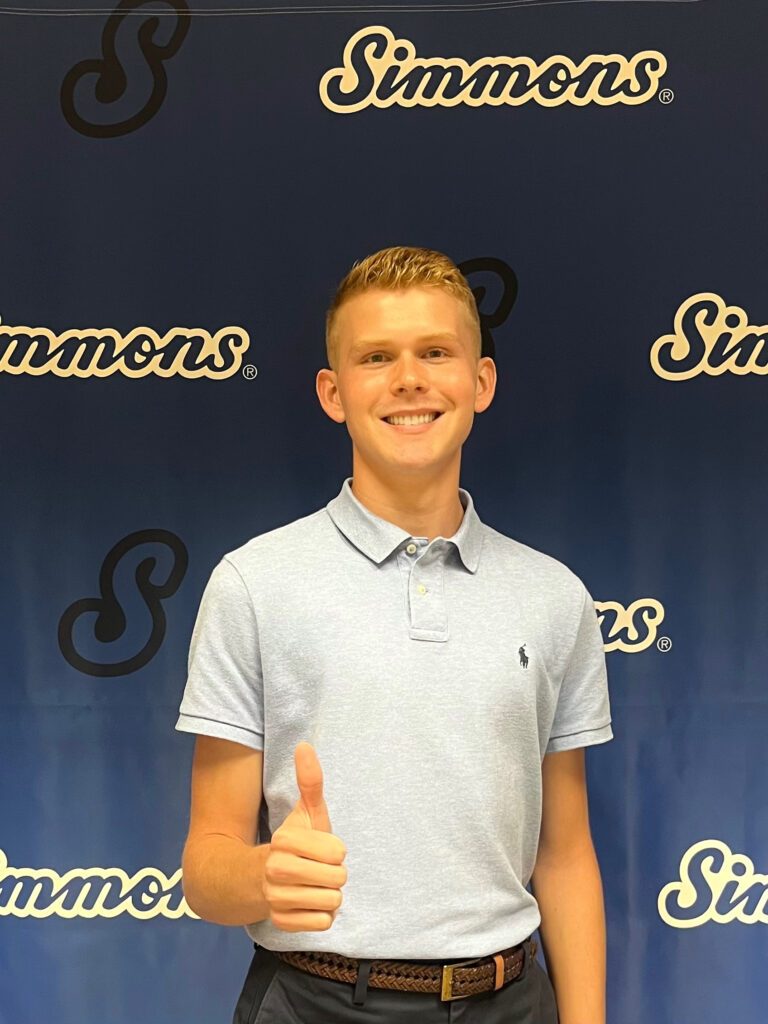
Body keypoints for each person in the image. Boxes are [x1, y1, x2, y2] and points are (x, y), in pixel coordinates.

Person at [176, 246, 613, 1024]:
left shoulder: (555, 597)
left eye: (435, 353)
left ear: (480, 383)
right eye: (376, 358)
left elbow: (566, 854)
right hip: (314, 1001)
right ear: (333, 392)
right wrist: (264, 874)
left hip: (514, 1001)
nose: (408, 379)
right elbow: (206, 868)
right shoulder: (252, 584)